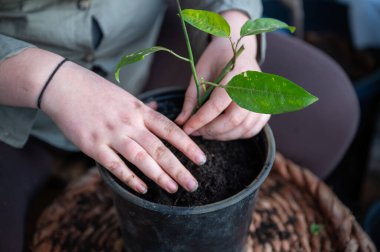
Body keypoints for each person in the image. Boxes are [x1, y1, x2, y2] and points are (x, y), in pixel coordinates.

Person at [0, 0, 360, 251]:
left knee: (331, 112)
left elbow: (232, 17)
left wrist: (235, 35)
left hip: (139, 41)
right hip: (14, 98)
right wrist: (50, 82)